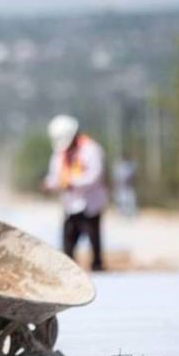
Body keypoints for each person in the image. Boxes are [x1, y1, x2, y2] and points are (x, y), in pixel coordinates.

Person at [44, 115, 108, 271]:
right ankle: (70, 271)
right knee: (68, 242)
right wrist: (49, 184)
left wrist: (72, 181)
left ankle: (97, 267)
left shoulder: (91, 149)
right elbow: (55, 176)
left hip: (90, 203)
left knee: (94, 239)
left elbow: (95, 175)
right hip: (71, 204)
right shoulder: (60, 154)